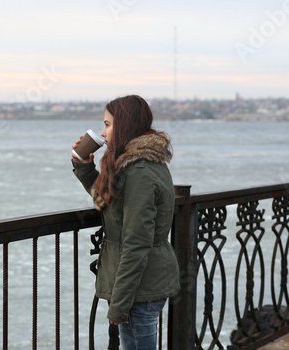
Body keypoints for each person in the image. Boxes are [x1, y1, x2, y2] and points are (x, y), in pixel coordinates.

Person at [71, 95, 180, 349]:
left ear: (125, 125)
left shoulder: (139, 171)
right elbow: (110, 202)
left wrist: (118, 307)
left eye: (108, 124)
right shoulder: (139, 163)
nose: (103, 131)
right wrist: (83, 167)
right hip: (139, 285)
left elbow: (136, 243)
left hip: (138, 288)